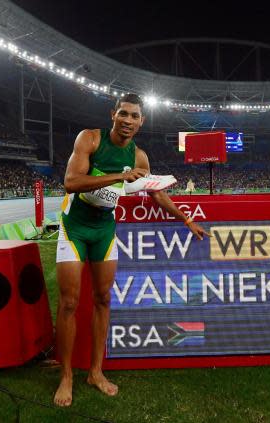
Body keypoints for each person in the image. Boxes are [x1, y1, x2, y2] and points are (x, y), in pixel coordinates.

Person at [53, 93, 210, 407]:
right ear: (113, 114)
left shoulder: (140, 156)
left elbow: (157, 194)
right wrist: (120, 177)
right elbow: (71, 181)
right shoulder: (91, 140)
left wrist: (186, 220)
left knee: (103, 298)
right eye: (123, 113)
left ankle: (95, 372)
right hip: (75, 228)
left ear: (142, 121)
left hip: (104, 231)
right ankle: (66, 375)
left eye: (135, 116)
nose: (128, 120)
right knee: (69, 302)